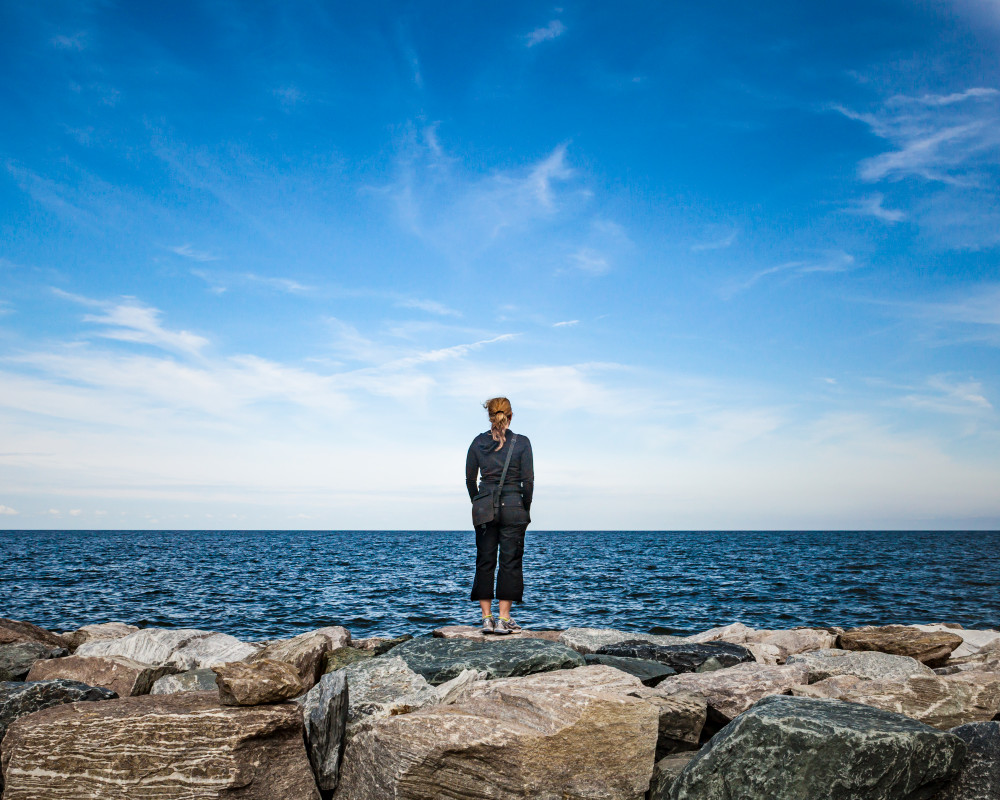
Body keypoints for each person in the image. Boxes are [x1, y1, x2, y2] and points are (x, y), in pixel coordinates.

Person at [466, 397, 534, 635]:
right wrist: (525, 507)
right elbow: (528, 481)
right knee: (510, 562)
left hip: (485, 508)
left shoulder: (478, 442)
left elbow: (470, 480)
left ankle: (487, 619)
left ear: (490, 417)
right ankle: (504, 619)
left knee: (485, 561)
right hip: (515, 507)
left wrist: (479, 501)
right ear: (510, 416)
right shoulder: (522, 443)